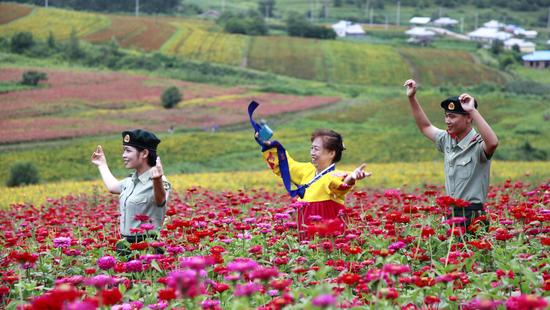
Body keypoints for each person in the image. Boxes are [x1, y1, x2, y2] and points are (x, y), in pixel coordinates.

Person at [404, 79, 499, 231]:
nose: (448, 121)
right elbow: (425, 127)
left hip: (472, 215)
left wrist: (473, 110)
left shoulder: (478, 144)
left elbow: (493, 143)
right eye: (446, 116)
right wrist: (412, 98)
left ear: (468, 118)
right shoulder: (447, 139)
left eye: (453, 117)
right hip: (450, 213)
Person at [256, 129, 371, 239]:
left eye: (316, 149)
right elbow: (287, 165)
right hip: (304, 228)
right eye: (311, 148)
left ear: (331, 153)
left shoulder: (336, 175)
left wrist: (351, 178)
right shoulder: (307, 170)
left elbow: (342, 184)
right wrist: (268, 145)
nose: (312, 152)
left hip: (326, 233)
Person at [91, 129, 171, 256]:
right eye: (124, 150)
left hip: (146, 248)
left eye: (128, 150)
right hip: (125, 245)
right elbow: (112, 187)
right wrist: (102, 164)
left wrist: (157, 180)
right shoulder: (131, 180)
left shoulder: (159, 181)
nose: (124, 155)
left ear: (144, 153)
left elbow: (160, 200)